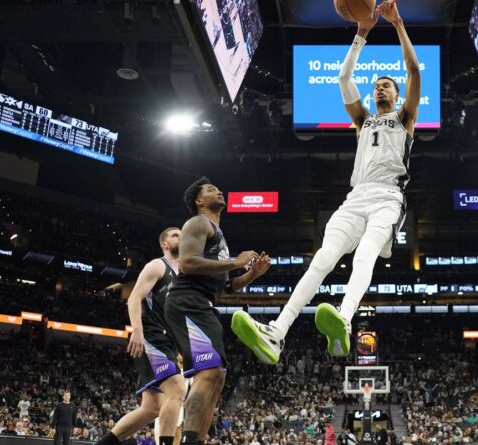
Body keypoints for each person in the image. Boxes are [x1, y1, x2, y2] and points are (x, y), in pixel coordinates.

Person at [232, 0, 422, 363]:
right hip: (355, 199)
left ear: (397, 96)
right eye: (377, 85)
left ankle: (346, 320)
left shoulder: (405, 118)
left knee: (365, 254)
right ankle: (277, 332)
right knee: (321, 260)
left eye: (387, 86)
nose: (381, 88)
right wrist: (360, 36)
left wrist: (397, 24)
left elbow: (413, 70)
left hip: (387, 198)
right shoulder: (362, 120)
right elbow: (343, 79)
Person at [164, 177, 270, 445]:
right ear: (199, 201)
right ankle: (189, 441)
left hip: (203, 303)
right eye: (211, 190)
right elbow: (187, 263)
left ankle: (197, 440)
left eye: (218, 188)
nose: (219, 191)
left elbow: (226, 289)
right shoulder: (198, 223)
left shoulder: (219, 237)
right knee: (209, 372)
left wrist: (252, 274)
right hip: (188, 300)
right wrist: (236, 262)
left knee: (218, 376)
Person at [94, 228, 187, 445]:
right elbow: (134, 298)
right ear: (164, 243)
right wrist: (137, 330)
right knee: (177, 390)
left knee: (151, 408)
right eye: (175, 235)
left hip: (168, 343)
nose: (180, 237)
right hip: (152, 337)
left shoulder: (182, 275)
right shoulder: (157, 265)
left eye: (182, 234)